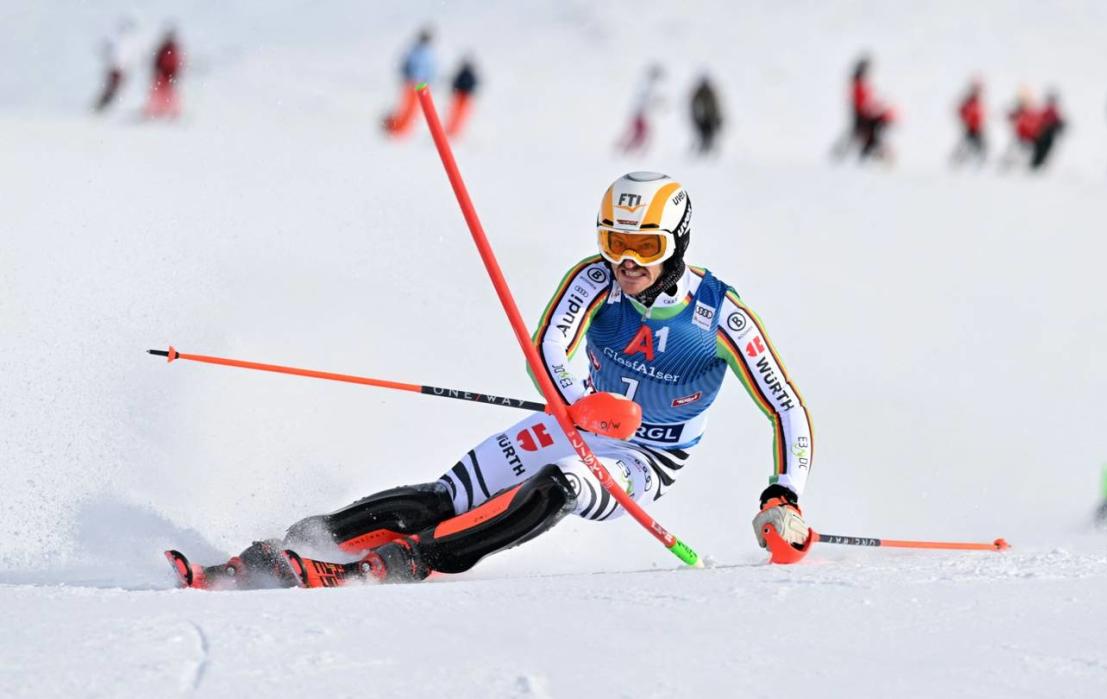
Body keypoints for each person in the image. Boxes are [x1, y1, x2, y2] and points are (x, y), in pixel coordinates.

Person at [169, 172, 816, 589]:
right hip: (578, 417)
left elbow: (784, 405)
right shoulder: (593, 279)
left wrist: (782, 497)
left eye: (643, 248)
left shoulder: (718, 314)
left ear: (675, 244)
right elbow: (547, 348)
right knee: (449, 491)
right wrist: (578, 401)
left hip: (648, 456)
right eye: (613, 241)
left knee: (557, 486)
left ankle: (404, 562)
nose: (624, 261)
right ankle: (280, 551)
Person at [830, 55, 895, 163]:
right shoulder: (858, 84)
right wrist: (870, 111)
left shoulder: (859, 84)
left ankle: (850, 157)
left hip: (863, 115)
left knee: (864, 138)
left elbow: (866, 100)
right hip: (861, 115)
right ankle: (841, 156)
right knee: (861, 137)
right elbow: (861, 102)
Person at [383, 27, 436, 137]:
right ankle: (396, 128)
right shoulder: (415, 51)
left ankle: (403, 130)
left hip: (421, 84)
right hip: (412, 83)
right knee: (406, 107)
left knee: (413, 109)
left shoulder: (428, 52)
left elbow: (431, 70)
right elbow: (406, 65)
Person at [94, 16, 138, 113]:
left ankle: (106, 107)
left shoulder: (124, 41)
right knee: (113, 89)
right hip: (117, 69)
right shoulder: (122, 41)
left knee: (114, 89)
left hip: (118, 69)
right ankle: (103, 107)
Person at [617, 65, 664, 153]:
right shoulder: (646, 85)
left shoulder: (647, 85)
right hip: (639, 114)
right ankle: (626, 149)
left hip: (639, 113)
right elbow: (643, 100)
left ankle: (626, 148)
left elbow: (646, 100)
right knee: (640, 133)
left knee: (637, 133)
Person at [144, 29, 182, 119]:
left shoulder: (171, 50)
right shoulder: (165, 49)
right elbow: (158, 61)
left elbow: (175, 63)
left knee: (167, 94)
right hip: (164, 74)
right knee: (161, 93)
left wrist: (174, 74)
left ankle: (169, 111)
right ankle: (156, 110)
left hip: (168, 75)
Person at [950, 78, 986, 166]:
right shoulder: (968, 101)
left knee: (980, 145)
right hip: (970, 127)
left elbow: (980, 114)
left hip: (977, 127)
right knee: (967, 145)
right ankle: (959, 159)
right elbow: (961, 111)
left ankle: (977, 160)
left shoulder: (978, 101)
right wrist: (966, 120)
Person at [1029, 90, 1066, 170]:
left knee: (1044, 150)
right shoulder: (1045, 111)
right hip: (1041, 136)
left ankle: (1038, 164)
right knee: (1040, 150)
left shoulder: (1054, 112)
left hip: (1047, 136)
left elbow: (1059, 124)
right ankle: (1036, 165)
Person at [444, 56, 479, 139]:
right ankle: (451, 129)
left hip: (464, 96)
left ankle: (455, 131)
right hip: (460, 95)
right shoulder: (463, 74)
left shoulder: (468, 74)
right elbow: (455, 83)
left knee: (460, 114)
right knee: (455, 114)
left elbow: (473, 85)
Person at [689, 74, 723, 156]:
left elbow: (715, 107)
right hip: (702, 119)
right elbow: (694, 105)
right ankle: (702, 150)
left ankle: (709, 150)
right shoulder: (698, 93)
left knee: (709, 134)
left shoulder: (711, 93)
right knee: (703, 135)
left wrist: (717, 118)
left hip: (710, 118)